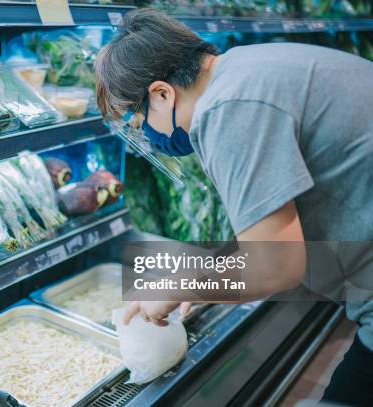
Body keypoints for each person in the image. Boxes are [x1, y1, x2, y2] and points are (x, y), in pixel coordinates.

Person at [94, 8, 373, 405]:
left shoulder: (226, 109)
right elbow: (270, 226)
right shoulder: (242, 68)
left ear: (161, 93)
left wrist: (180, 285)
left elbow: (276, 266)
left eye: (139, 124)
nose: (149, 138)